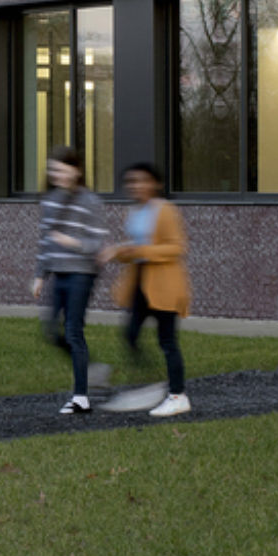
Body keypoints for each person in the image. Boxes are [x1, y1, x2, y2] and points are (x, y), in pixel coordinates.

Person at [102, 161, 192, 418]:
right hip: (140, 283)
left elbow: (176, 247)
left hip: (164, 283)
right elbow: (134, 247)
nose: (137, 186)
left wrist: (136, 251)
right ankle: (152, 382)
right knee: (130, 335)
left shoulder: (166, 210)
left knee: (167, 341)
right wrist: (117, 252)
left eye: (142, 181)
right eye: (131, 182)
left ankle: (177, 396)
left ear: (155, 184)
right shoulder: (132, 212)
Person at [33, 145, 108, 415]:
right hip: (59, 273)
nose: (59, 175)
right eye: (54, 171)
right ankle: (90, 368)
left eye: (64, 170)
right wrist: (40, 275)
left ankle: (81, 398)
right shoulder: (50, 199)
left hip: (82, 273)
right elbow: (45, 240)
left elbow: (98, 243)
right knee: (52, 330)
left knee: (74, 331)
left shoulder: (89, 200)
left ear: (76, 171)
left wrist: (73, 242)